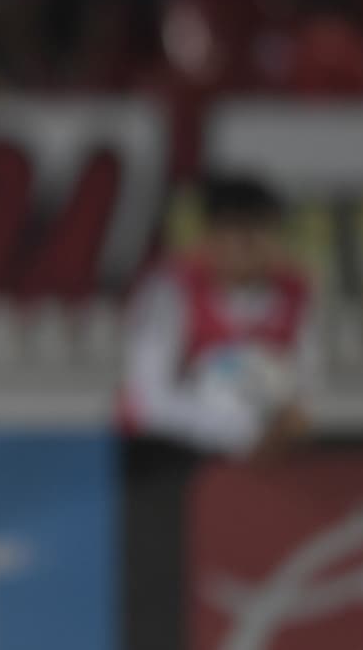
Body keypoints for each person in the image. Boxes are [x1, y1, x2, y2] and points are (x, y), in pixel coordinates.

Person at [116, 172, 318, 650]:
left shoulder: (296, 293)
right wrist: (239, 431)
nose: (246, 246)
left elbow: (306, 385)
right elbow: (147, 400)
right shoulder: (170, 291)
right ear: (209, 238)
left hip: (255, 475)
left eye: (259, 232)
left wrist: (288, 421)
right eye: (233, 232)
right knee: (161, 614)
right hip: (159, 478)